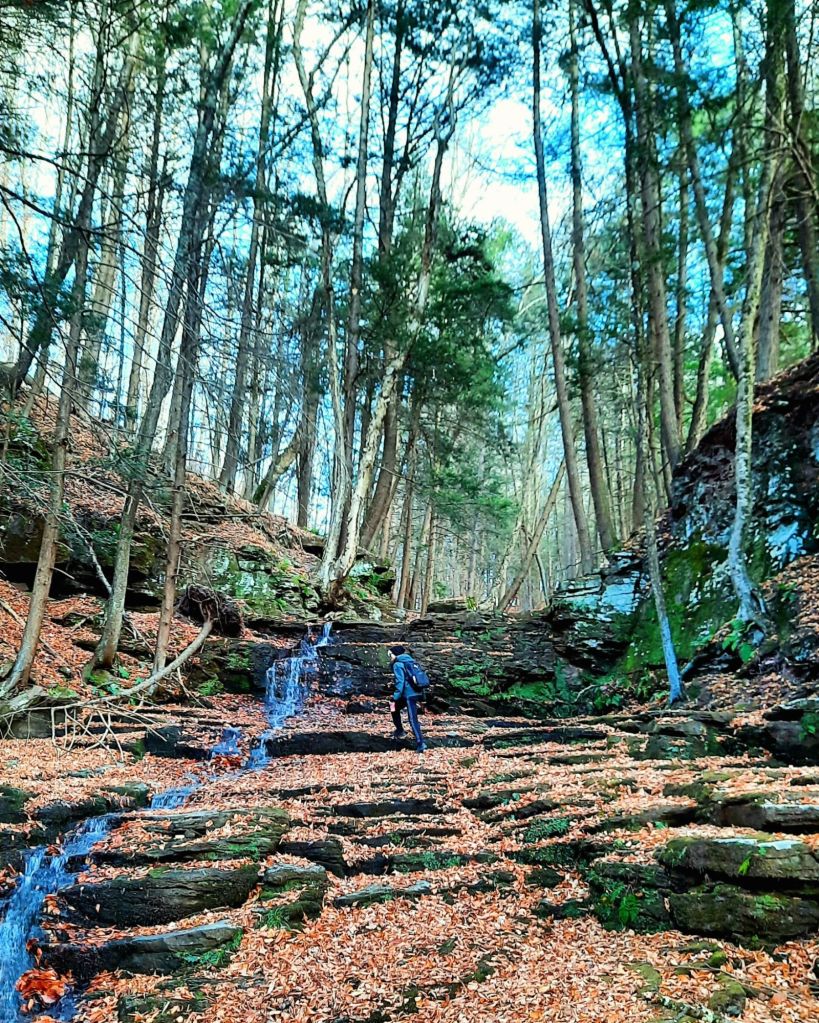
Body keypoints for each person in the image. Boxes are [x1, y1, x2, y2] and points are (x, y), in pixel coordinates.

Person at [388, 645, 427, 753]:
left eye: (390, 654)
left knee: (412, 719)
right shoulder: (411, 661)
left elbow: (400, 683)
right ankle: (399, 730)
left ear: (395, 654)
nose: (389, 657)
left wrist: (395, 697)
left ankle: (420, 743)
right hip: (417, 692)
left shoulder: (398, 664)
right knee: (394, 707)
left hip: (408, 695)